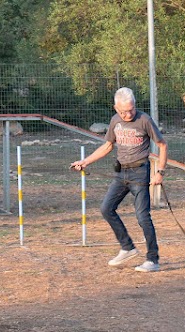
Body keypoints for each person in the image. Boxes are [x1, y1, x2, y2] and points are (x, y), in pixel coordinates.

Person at [70, 87, 168, 272]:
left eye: (131, 109)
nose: (128, 114)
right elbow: (107, 146)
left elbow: (162, 145)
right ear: (116, 108)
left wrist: (160, 172)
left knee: (142, 216)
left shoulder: (144, 120)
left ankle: (152, 260)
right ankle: (127, 247)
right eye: (124, 111)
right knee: (106, 209)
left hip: (140, 172)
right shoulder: (115, 121)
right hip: (120, 173)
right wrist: (85, 162)